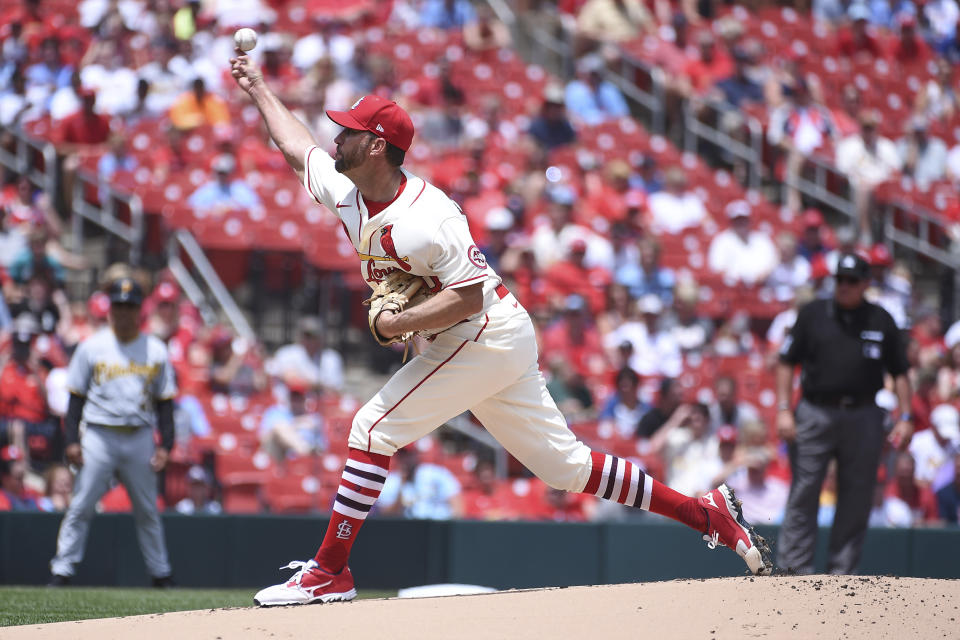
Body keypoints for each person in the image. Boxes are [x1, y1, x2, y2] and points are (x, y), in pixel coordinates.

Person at [230, 48, 772, 606]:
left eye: (346, 132)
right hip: (489, 338)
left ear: (375, 146)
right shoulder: (349, 192)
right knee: (567, 468)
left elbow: (467, 297)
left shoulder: (429, 216)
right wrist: (257, 88)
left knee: (372, 430)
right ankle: (702, 512)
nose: (334, 139)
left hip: (484, 331)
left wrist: (396, 323)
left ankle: (329, 572)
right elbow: (298, 150)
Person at [775, 252, 913, 574]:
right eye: (840, 279)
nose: (845, 286)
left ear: (866, 283)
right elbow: (785, 361)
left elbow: (901, 371)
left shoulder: (881, 319)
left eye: (852, 281)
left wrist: (906, 417)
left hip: (864, 414)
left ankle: (841, 574)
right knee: (805, 490)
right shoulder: (813, 314)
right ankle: (794, 571)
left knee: (857, 495)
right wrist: (783, 410)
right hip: (815, 411)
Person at [48, 276, 176, 587]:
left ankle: (160, 573)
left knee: (147, 509)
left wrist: (166, 446)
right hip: (99, 435)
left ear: (139, 311)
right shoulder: (92, 346)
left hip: (139, 436)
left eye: (129, 306)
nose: (123, 312)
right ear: (109, 310)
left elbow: (165, 403)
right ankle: (62, 570)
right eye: (118, 305)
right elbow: (75, 398)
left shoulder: (155, 349)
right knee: (80, 505)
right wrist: (72, 441)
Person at [266, 316, 344, 393]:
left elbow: (334, 390)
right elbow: (283, 378)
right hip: (289, 404)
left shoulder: (331, 358)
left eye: (315, 336)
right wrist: (317, 385)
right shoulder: (286, 353)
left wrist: (304, 382)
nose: (311, 340)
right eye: (307, 335)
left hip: (320, 403)